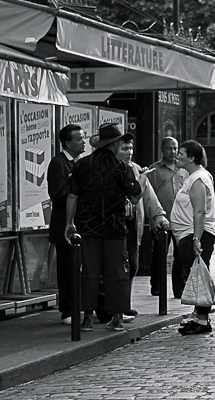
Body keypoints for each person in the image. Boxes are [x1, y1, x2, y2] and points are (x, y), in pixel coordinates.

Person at [64, 123, 151, 333]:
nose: (122, 144)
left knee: (90, 272)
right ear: (113, 144)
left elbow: (73, 195)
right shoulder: (122, 167)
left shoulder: (83, 164)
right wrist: (142, 179)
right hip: (114, 227)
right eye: (120, 141)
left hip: (88, 227)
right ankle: (117, 318)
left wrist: (69, 223)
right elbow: (134, 194)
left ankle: (86, 318)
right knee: (116, 272)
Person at [117, 134, 169, 316]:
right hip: (114, 225)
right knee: (117, 267)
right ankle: (117, 307)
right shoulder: (113, 168)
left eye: (131, 148)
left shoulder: (137, 169)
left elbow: (148, 195)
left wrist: (159, 216)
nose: (129, 152)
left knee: (132, 264)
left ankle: (124, 303)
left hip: (132, 225)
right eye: (125, 148)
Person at [170, 140, 215, 334]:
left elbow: (199, 211)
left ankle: (203, 319)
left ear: (191, 157)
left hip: (195, 234)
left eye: (181, 153)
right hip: (189, 234)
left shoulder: (198, 178)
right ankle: (199, 317)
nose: (177, 156)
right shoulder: (195, 176)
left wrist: (196, 239)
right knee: (196, 275)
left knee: (198, 275)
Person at [47, 124, 86, 325]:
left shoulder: (81, 163)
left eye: (84, 137)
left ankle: (82, 306)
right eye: (79, 139)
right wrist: (77, 193)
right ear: (67, 143)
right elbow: (57, 195)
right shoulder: (59, 164)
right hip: (65, 225)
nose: (83, 141)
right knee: (67, 268)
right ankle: (68, 310)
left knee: (80, 268)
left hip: (81, 225)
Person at [148, 137, 188, 298]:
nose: (173, 152)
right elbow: (148, 195)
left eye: (175, 148)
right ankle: (156, 286)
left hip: (181, 220)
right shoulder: (154, 170)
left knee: (180, 256)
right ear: (162, 150)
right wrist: (153, 219)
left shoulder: (184, 169)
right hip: (161, 220)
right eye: (169, 148)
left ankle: (179, 288)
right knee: (159, 254)